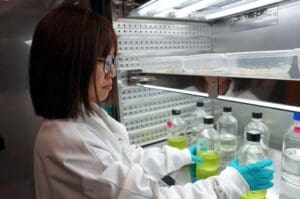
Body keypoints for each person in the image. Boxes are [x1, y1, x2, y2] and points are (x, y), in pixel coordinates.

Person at [29, 4, 274, 199]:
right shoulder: (67, 142)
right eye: (106, 60)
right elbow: (146, 196)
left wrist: (183, 155)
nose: (112, 73)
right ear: (72, 62)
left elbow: (127, 160)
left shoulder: (83, 115)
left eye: (113, 60)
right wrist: (228, 185)